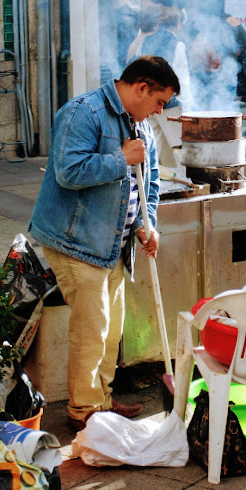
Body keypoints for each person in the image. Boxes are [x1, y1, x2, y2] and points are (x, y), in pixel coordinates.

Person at [28, 56, 180, 431]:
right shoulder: (84, 112)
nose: (160, 110)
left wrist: (149, 223)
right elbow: (68, 172)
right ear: (142, 88)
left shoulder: (140, 124)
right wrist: (120, 158)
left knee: (111, 329)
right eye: (159, 102)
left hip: (115, 242)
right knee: (92, 328)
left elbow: (153, 179)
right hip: (76, 240)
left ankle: (102, 400)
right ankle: (84, 412)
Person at [127, 0, 194, 167]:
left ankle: (157, 187)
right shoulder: (177, 43)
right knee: (178, 152)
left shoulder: (145, 39)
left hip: (147, 104)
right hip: (169, 106)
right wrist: (187, 110)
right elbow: (182, 81)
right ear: (176, 24)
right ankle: (182, 184)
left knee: (153, 150)